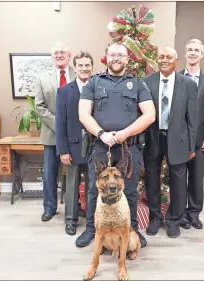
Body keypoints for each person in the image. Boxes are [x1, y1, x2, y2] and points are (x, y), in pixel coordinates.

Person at [77, 42, 156, 248]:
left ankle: (132, 230)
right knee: (95, 191)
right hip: (101, 147)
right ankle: (92, 231)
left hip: (129, 148)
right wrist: (101, 134)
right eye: (112, 55)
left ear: (127, 59)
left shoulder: (138, 84)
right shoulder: (93, 82)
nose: (116, 58)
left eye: (120, 55)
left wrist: (125, 133)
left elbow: (150, 115)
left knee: (129, 191)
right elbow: (83, 114)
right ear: (106, 57)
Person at [143, 47, 198, 238]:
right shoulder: (146, 82)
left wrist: (192, 146)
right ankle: (155, 218)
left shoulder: (188, 84)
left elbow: (193, 118)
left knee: (179, 181)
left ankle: (174, 219)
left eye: (169, 57)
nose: (164, 60)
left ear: (176, 61)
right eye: (161, 57)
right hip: (153, 138)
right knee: (151, 178)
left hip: (179, 139)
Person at [179, 39, 204, 230]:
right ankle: (179, 214)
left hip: (200, 138)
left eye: (197, 50)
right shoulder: (176, 77)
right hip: (179, 138)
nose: (193, 53)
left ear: (202, 55)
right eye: (190, 50)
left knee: (196, 177)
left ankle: (193, 213)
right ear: (185, 54)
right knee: (178, 177)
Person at [35, 42, 75, 222]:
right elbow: (40, 107)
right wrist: (59, 124)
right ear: (52, 56)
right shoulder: (42, 78)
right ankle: (50, 208)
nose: (59, 55)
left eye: (63, 52)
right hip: (51, 134)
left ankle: (76, 207)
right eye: (56, 53)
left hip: (75, 134)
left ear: (69, 55)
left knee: (75, 173)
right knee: (50, 174)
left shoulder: (79, 74)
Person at [55, 51, 94, 235]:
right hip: (72, 145)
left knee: (92, 184)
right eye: (81, 65)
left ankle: (90, 219)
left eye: (87, 65)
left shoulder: (97, 87)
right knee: (71, 184)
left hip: (94, 146)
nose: (84, 68)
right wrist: (63, 150)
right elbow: (60, 122)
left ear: (92, 67)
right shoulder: (64, 91)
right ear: (75, 67)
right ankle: (70, 220)